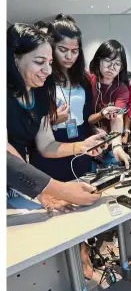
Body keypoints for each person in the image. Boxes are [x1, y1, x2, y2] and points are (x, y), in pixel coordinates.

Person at [7, 24, 105, 207]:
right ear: (15, 59)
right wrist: (61, 191)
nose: (48, 70)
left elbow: (46, 144)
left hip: (17, 181)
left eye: (50, 63)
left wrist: (83, 146)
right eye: (39, 62)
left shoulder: (40, 92)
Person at [30, 15, 95, 181]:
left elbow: (87, 116)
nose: (69, 57)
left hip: (80, 143)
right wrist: (52, 120)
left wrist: (95, 132)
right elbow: (31, 125)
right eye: (63, 50)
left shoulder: (83, 80)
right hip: (52, 146)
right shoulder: (42, 79)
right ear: (51, 48)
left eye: (74, 51)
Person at [88, 40, 131, 168]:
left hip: (109, 140)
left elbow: (117, 117)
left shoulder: (121, 89)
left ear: (121, 67)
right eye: (107, 61)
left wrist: (117, 145)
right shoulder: (87, 81)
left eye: (117, 64)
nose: (111, 67)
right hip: (87, 141)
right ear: (98, 60)